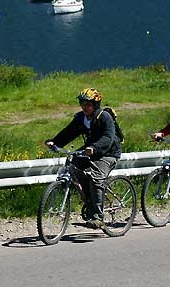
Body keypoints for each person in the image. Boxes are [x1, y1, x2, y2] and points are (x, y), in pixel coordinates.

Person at [45, 88, 121, 229]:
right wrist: (55, 142)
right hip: (90, 151)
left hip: (108, 153)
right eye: (82, 103)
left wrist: (94, 148)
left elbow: (108, 137)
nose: (84, 107)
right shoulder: (81, 118)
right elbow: (69, 132)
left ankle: (98, 217)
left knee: (97, 178)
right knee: (72, 164)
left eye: (88, 104)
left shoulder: (104, 117)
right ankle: (90, 198)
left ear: (95, 104)